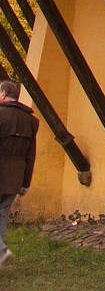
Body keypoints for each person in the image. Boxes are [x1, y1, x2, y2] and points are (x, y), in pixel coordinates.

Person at [0, 80, 38, 272]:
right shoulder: (31, 120)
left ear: (3, 95)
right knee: (2, 214)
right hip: (15, 176)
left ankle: (1, 251)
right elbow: (31, 154)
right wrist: (25, 182)